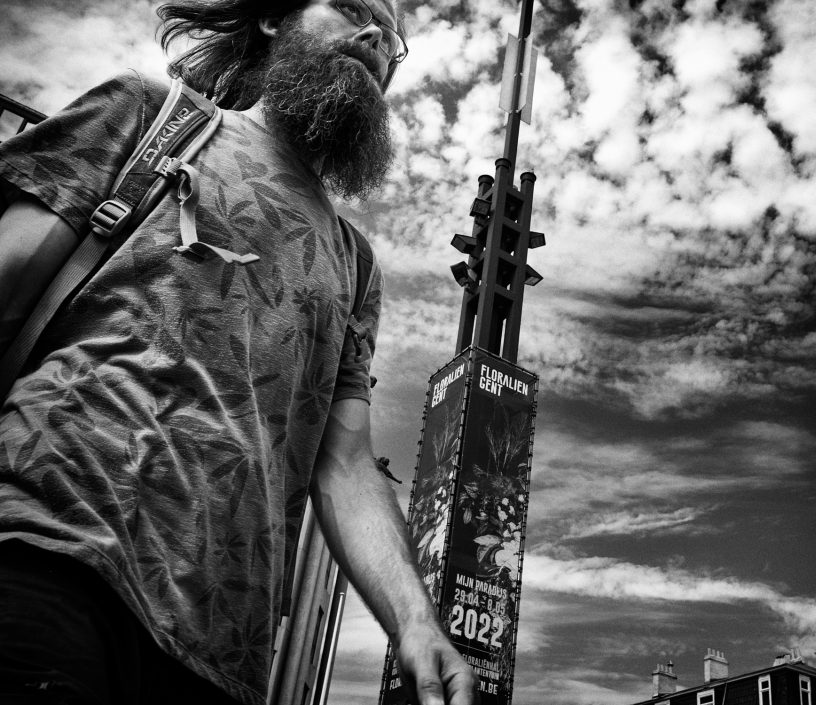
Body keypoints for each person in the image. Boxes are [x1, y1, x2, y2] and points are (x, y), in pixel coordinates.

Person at [0, 1, 477, 704]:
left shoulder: (356, 264)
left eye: (394, 43)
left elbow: (344, 464)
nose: (377, 38)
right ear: (271, 20)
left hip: (221, 654)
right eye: (350, 8)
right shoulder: (147, 117)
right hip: (46, 552)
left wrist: (415, 619)